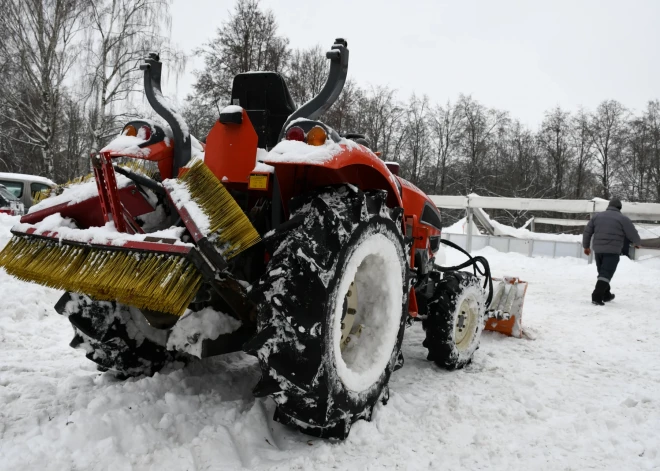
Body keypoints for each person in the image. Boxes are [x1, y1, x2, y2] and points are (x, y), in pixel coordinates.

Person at [582, 198, 641, 305]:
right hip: (612, 251)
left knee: (602, 272)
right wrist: (637, 243)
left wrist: (586, 246)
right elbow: (632, 233)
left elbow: (587, 232)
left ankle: (606, 295)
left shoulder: (597, 217)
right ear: (620, 208)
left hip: (598, 250)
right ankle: (597, 296)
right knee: (606, 273)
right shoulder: (623, 218)